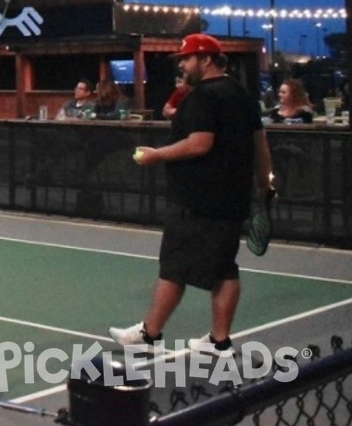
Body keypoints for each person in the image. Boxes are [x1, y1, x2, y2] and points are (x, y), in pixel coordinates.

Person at [110, 33, 273, 357]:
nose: (182, 65)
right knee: (225, 267)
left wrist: (156, 155)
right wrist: (266, 183)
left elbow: (200, 143)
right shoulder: (241, 94)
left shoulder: (204, 97)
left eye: (186, 59)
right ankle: (219, 340)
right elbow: (260, 141)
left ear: (206, 60)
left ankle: (149, 334)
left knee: (174, 267)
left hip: (197, 200)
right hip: (231, 198)